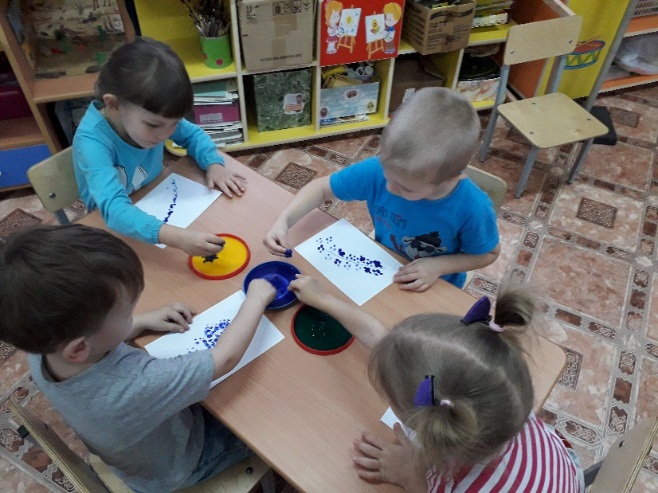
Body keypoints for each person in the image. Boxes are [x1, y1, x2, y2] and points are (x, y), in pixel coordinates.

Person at [0, 224, 275, 493]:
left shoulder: (42, 347)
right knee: (269, 427)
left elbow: (94, 342)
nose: (133, 314)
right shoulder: (134, 383)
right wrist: (256, 299)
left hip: (141, 449)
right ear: (78, 347)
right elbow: (224, 359)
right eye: (126, 314)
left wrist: (141, 322)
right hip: (182, 464)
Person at [288, 275, 585, 492]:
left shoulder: (449, 485)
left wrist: (408, 473)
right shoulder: (502, 396)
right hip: (565, 474)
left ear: (426, 423)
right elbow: (390, 345)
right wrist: (323, 300)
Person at [264, 87, 500, 290]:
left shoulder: (473, 207)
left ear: (450, 180)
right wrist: (284, 221)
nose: (390, 188)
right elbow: (321, 189)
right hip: (387, 262)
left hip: (435, 282)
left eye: (405, 188)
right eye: (388, 176)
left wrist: (439, 266)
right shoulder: (378, 170)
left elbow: (488, 253)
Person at [73, 37, 247, 257]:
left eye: (174, 123)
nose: (166, 134)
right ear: (114, 105)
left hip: (153, 197)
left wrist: (213, 163)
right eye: (154, 125)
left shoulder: (154, 118)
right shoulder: (92, 142)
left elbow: (193, 135)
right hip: (108, 225)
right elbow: (114, 211)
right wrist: (177, 238)